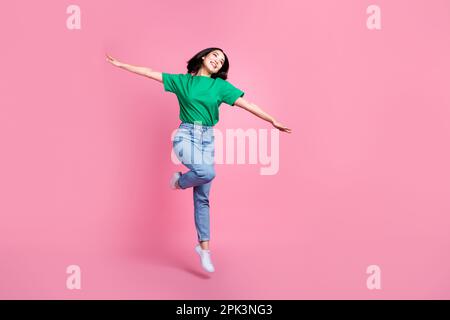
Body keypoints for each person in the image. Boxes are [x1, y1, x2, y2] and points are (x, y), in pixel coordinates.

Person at [106, 47, 291, 273]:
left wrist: (272, 120)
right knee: (207, 172)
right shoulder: (183, 82)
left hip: (208, 140)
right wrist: (121, 64)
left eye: (221, 61)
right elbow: (149, 72)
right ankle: (179, 182)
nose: (217, 61)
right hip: (185, 135)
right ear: (203, 57)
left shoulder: (220, 87)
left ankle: (204, 250)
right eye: (215, 56)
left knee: (203, 198)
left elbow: (249, 105)